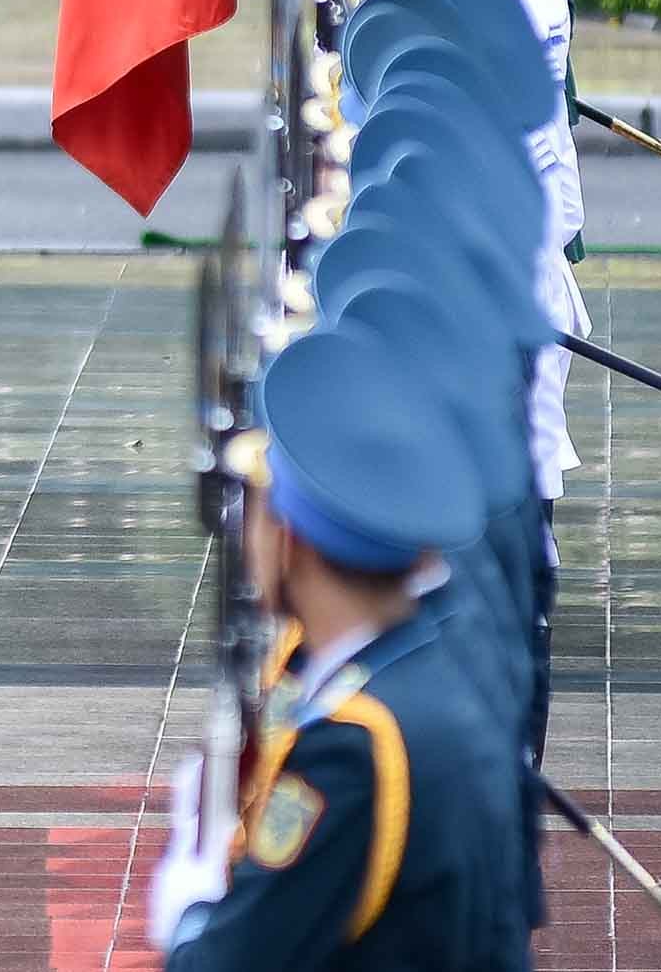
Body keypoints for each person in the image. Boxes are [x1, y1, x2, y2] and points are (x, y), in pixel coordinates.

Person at [149, 327, 522, 972]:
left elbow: (231, 961)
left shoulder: (356, 745)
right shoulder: (433, 651)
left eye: (252, 510)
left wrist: (188, 901)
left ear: (288, 540)